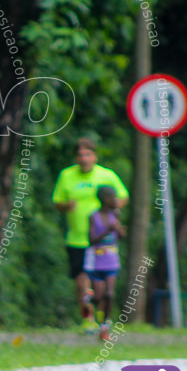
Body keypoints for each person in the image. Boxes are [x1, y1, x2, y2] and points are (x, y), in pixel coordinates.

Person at [52, 138, 128, 333]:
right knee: (81, 282)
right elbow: (57, 202)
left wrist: (114, 213)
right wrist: (67, 206)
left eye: (87, 154)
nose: (84, 158)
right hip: (77, 239)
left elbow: (122, 196)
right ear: (76, 158)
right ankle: (88, 319)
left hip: (101, 243)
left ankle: (103, 319)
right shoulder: (67, 176)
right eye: (80, 155)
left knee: (101, 285)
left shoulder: (106, 175)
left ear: (94, 156)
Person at [86, 185, 125, 341]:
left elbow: (121, 237)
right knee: (98, 297)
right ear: (105, 199)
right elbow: (91, 240)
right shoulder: (93, 217)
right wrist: (107, 231)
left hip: (111, 261)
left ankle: (104, 326)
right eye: (113, 197)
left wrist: (119, 230)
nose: (116, 200)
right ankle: (90, 301)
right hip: (97, 260)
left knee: (109, 294)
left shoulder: (116, 215)